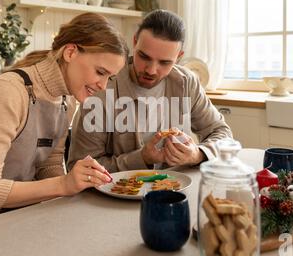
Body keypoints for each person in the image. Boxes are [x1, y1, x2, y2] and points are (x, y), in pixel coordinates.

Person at [0, 13, 127, 229]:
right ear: (70, 52)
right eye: (100, 72)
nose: (103, 85)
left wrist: (73, 187)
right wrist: (63, 185)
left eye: (109, 77)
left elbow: (49, 164)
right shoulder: (8, 93)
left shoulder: (67, 100)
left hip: (22, 218)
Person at [67, 10, 232, 173]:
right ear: (135, 42)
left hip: (177, 193)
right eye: (144, 57)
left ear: (179, 57)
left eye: (165, 62)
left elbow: (222, 132)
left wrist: (198, 154)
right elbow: (80, 168)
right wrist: (142, 158)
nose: (151, 70)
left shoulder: (187, 82)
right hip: (115, 197)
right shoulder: (101, 87)